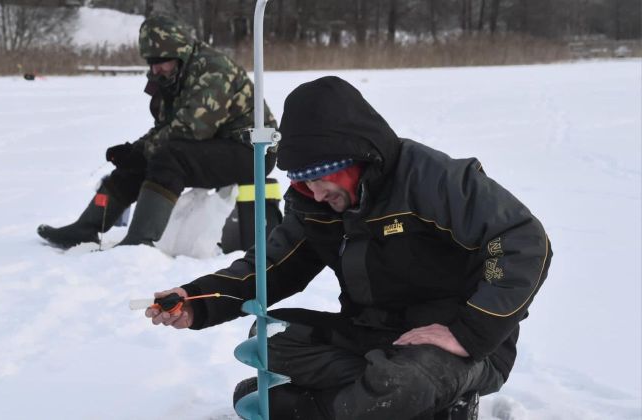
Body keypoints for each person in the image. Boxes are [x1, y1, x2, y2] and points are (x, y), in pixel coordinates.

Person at [145, 76, 552, 418]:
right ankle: (386, 404)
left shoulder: (432, 178)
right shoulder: (314, 203)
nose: (316, 192)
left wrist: (469, 332)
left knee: (401, 381)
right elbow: (272, 266)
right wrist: (196, 300)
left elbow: (521, 240)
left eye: (323, 177)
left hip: (455, 346)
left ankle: (357, 405)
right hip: (372, 335)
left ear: (360, 157)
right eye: (303, 181)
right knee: (270, 338)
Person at [37, 15, 278, 249]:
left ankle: (139, 240)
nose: (157, 68)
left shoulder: (214, 70)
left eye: (162, 61)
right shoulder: (171, 75)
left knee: (169, 157)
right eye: (151, 62)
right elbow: (165, 126)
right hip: (213, 146)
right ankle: (85, 228)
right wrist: (135, 151)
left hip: (252, 151)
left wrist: (145, 150)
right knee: (141, 160)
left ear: (180, 54)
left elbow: (192, 129)